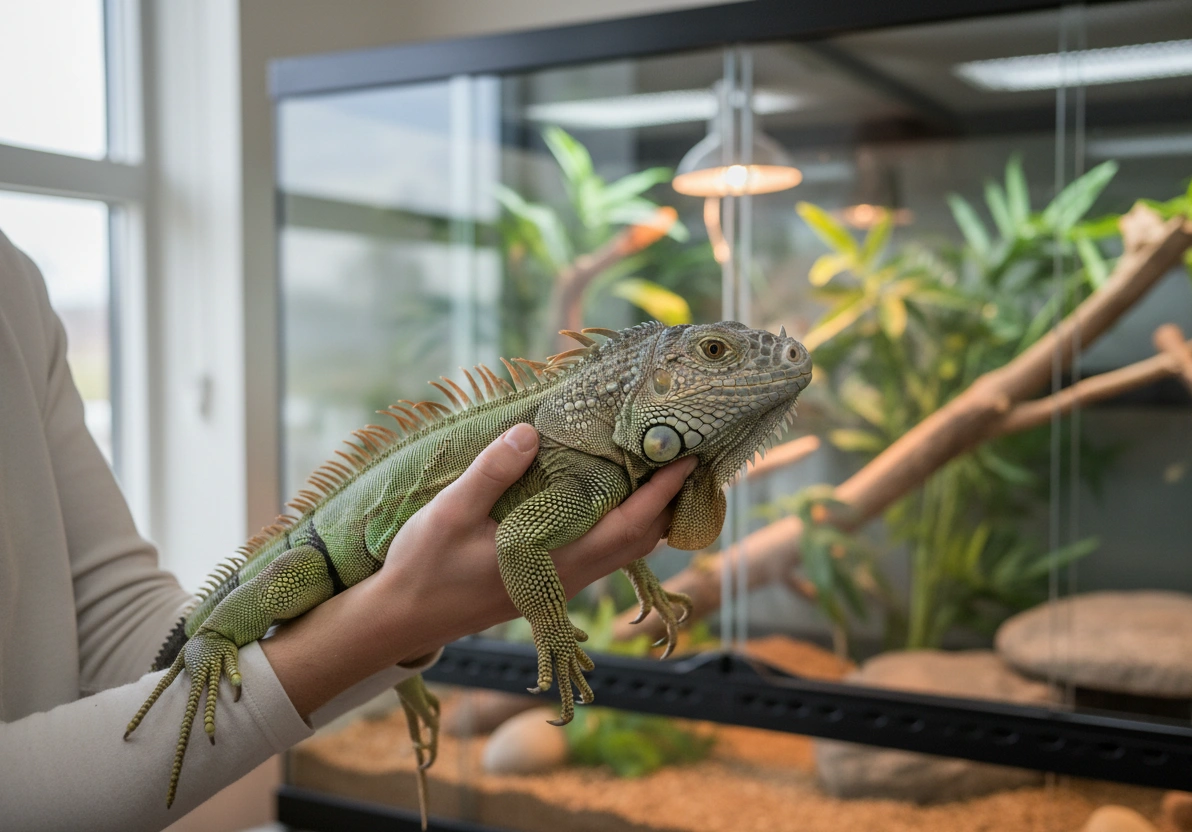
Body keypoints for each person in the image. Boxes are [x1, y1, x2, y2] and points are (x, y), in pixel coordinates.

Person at [0, 228, 695, 830]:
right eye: (714, 356)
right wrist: (395, 622)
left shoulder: (15, 281)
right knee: (254, 609)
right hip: (318, 558)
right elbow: (517, 540)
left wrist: (394, 644)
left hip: (324, 564)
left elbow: (115, 615)